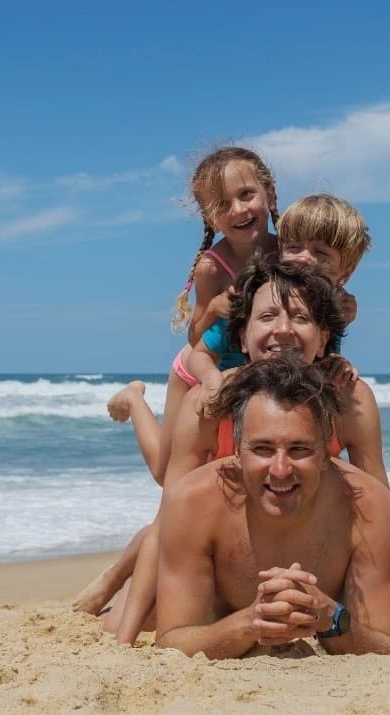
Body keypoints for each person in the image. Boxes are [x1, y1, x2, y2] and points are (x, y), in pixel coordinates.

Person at [106, 259, 390, 643]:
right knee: (128, 607)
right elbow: (169, 520)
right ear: (241, 337)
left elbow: (381, 511)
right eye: (268, 316)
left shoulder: (350, 400)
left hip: (312, 536)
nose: (283, 329)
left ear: (324, 338)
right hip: (216, 542)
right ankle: (134, 402)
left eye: (300, 318)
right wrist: (124, 636)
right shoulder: (207, 404)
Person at [156, 355, 390, 658]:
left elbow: (385, 643)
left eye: (299, 449)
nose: (281, 469)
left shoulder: (368, 506)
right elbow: (171, 640)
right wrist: (253, 621)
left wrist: (329, 617)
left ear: (326, 453)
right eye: (262, 449)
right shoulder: (192, 503)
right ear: (237, 451)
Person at [105, 146, 279, 488]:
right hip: (198, 369)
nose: (239, 210)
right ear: (209, 217)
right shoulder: (213, 267)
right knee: (165, 473)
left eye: (246, 195)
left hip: (251, 368)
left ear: (269, 193)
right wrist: (214, 308)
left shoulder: (288, 251)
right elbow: (195, 335)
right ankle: (135, 399)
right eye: (223, 205)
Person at [183, 193, 372, 396]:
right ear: (280, 250)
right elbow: (198, 355)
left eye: (321, 253)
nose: (304, 258)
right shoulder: (254, 298)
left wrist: (335, 362)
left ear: (347, 270)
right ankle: (141, 400)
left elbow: (321, 352)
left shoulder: (334, 307)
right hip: (231, 385)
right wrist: (213, 381)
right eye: (294, 248)